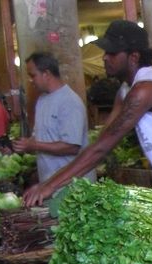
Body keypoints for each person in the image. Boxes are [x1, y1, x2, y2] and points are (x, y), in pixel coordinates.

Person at [22, 20, 152, 252]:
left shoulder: (145, 90)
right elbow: (102, 138)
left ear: (133, 57)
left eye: (112, 53)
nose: (104, 58)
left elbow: (103, 147)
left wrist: (50, 186)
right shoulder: (126, 89)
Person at [12, 52, 95, 185]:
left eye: (33, 75)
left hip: (74, 185)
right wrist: (24, 145)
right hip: (50, 182)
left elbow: (72, 146)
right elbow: (41, 138)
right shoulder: (42, 100)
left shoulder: (69, 101)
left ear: (46, 74)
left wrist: (34, 145)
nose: (31, 80)